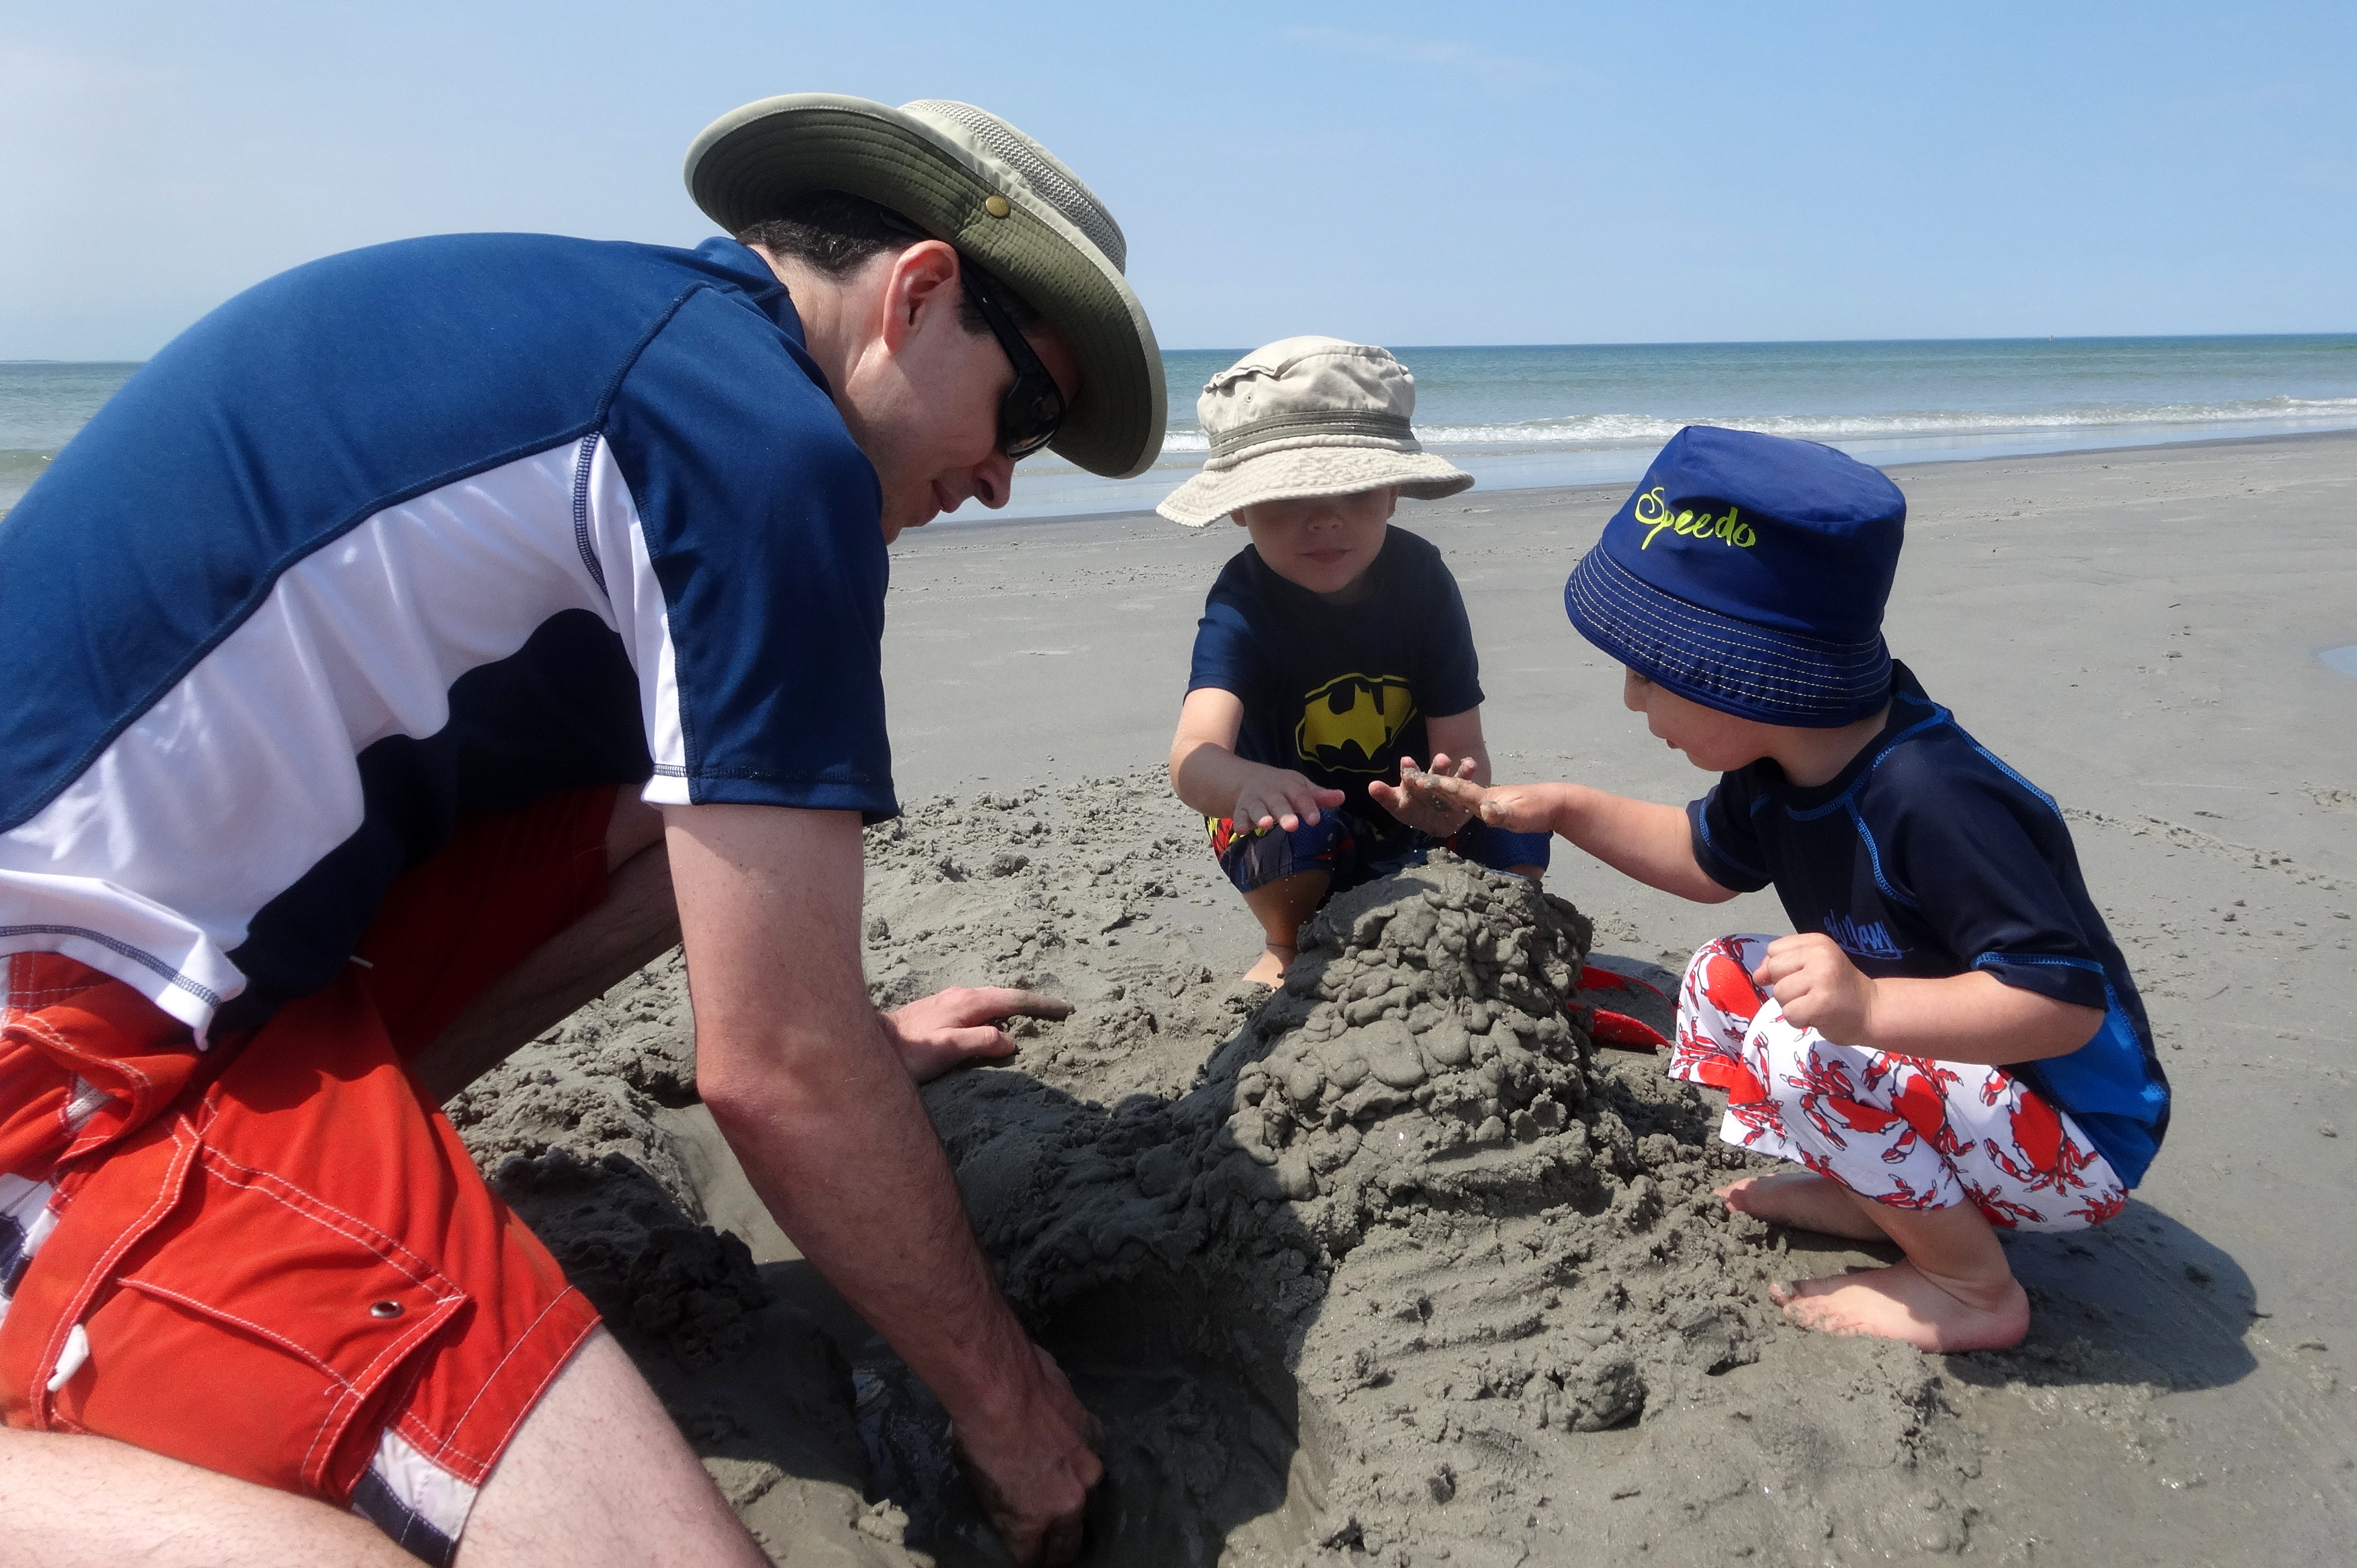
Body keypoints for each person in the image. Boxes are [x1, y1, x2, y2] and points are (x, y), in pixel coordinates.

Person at [0, 93, 1164, 1566]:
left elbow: (758, 958)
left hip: (191, 947)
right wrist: (1015, 1414)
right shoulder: (757, 445)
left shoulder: (637, 347)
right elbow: (779, 1074)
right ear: (920, 293)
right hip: (61, 1055)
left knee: (677, 807)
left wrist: (837, 1042)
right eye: (1026, 412)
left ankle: (310, 1190)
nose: (1002, 478)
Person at [1401, 426, 2170, 1352]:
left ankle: (1969, 1284)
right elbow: (1698, 859)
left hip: (2074, 1137)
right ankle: (1885, 1193)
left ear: (1747, 672)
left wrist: (1870, 1009)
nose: (1633, 700)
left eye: (1651, 673)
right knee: (1725, 976)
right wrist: (1559, 807)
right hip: (1967, 1094)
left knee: (1807, 1047)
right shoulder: (1780, 767)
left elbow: (2062, 1008)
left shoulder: (1933, 796)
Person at [1162, 338, 1551, 985]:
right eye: (1288, 496)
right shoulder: (1242, 601)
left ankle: (1493, 933)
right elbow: (1191, 755)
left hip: (1407, 820)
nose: (1324, 519)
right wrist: (1245, 784)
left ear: (1392, 491)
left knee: (1517, 823)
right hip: (1292, 824)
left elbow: (1463, 748)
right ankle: (1287, 945)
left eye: (1353, 490)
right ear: (1239, 506)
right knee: (1294, 835)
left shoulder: (1422, 581)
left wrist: (1446, 798)